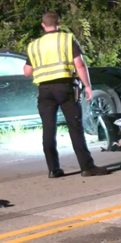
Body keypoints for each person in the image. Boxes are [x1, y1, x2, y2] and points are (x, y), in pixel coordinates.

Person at [23, 12, 109, 178]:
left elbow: (27, 72)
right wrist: (87, 86)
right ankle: (87, 167)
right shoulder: (67, 39)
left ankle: (53, 169)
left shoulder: (34, 45)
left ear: (43, 25)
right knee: (75, 128)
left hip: (44, 91)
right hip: (64, 87)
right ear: (59, 24)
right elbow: (80, 65)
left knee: (48, 129)